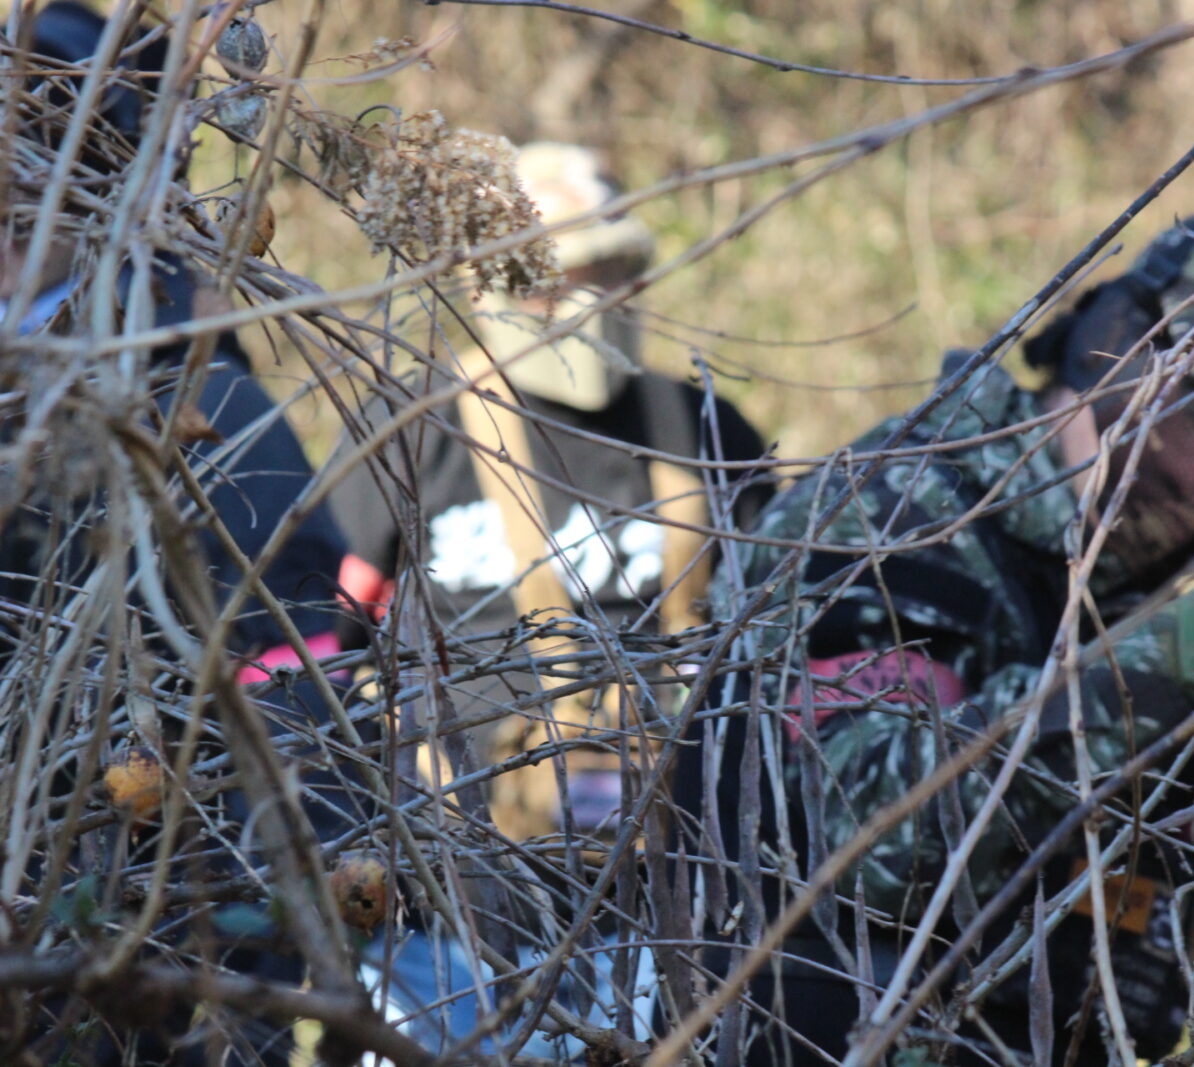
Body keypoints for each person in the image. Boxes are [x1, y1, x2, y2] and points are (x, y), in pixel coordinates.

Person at [674, 213, 1194, 1066]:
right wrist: (1161, 670)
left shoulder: (1159, 610)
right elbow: (860, 843)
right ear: (1127, 342)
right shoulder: (899, 514)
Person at [332, 141, 771, 1058]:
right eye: (553, 282)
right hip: (448, 916)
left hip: (668, 910)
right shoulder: (413, 427)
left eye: (610, 275)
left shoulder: (702, 430)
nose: (586, 303)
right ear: (489, 284)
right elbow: (326, 636)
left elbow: (784, 636)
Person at [0, 3, 357, 1064]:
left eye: (45, 152)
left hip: (120, 976)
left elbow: (297, 749)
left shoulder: (206, 420)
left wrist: (230, 1013)